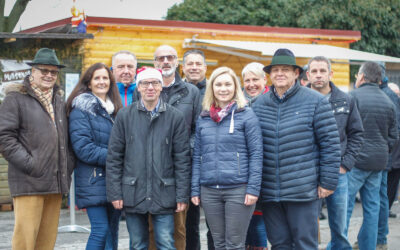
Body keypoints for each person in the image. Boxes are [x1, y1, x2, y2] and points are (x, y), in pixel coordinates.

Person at [252, 48, 341, 249]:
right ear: (270, 75)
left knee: (305, 244)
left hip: (303, 190)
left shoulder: (315, 101)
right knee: (279, 243)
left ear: (296, 73)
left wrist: (327, 182)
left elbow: (331, 144)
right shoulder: (258, 104)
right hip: (270, 192)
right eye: (275, 70)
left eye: (285, 69)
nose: (280, 74)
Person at [106, 67, 191, 250]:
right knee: (137, 245)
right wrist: (115, 192)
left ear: (161, 87)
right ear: (138, 87)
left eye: (155, 83)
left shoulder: (174, 117)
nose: (150, 87)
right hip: (133, 191)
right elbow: (114, 158)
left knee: (167, 243)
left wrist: (182, 195)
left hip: (164, 192)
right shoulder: (124, 116)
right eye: (145, 83)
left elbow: (182, 160)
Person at [0, 48, 74, 250]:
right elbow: (4, 138)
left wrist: (67, 168)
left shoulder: (58, 100)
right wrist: (32, 165)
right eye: (44, 70)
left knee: (46, 242)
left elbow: (64, 140)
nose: (49, 75)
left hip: (55, 182)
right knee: (25, 242)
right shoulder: (15, 99)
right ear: (32, 71)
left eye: (53, 72)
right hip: (29, 181)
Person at [133, 45, 201, 250]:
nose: (165, 61)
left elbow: (198, 130)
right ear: (154, 63)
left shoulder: (192, 92)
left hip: (181, 168)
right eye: (160, 58)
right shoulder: (145, 89)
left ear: (177, 61)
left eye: (170, 57)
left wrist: (181, 151)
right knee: (152, 226)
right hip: (151, 169)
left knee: (181, 227)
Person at [191, 66, 263, 249]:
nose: (223, 89)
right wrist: (195, 189)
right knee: (218, 242)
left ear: (235, 87)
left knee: (234, 244)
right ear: (212, 88)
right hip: (209, 190)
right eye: (219, 84)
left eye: (228, 84)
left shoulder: (246, 115)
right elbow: (198, 154)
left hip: (238, 189)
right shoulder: (204, 118)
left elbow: (256, 154)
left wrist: (253, 188)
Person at [307, 56, 364, 249]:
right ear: (307, 74)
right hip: (308, 172)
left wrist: (345, 164)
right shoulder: (300, 100)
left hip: (337, 172)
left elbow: (357, 134)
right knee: (307, 226)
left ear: (330, 73)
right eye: (314, 71)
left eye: (322, 71)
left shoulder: (346, 100)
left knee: (339, 226)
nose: (318, 75)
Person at [66, 63, 123, 250]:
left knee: (112, 230)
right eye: (97, 78)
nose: (101, 82)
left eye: (105, 78)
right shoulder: (80, 110)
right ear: (88, 83)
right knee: (100, 229)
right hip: (93, 180)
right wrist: (118, 157)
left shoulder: (116, 111)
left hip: (115, 180)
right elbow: (84, 148)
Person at [345, 61, 398, 250]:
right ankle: (369, 246)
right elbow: (393, 136)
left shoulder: (352, 96)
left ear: (361, 76)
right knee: (372, 207)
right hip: (379, 162)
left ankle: (340, 244)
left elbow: (343, 129)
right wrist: (383, 150)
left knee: (346, 205)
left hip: (356, 161)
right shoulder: (388, 101)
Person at [242, 62, 269, 250]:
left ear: (265, 80)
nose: (251, 84)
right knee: (245, 227)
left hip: (266, 172)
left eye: (255, 79)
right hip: (243, 173)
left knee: (259, 227)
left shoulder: (272, 102)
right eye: (247, 80)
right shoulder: (239, 103)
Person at [376, 63, 400, 250]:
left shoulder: (386, 96)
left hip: (388, 158)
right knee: (382, 199)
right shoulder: (391, 96)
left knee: (381, 199)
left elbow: (395, 132)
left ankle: (380, 239)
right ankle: (379, 239)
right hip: (389, 157)